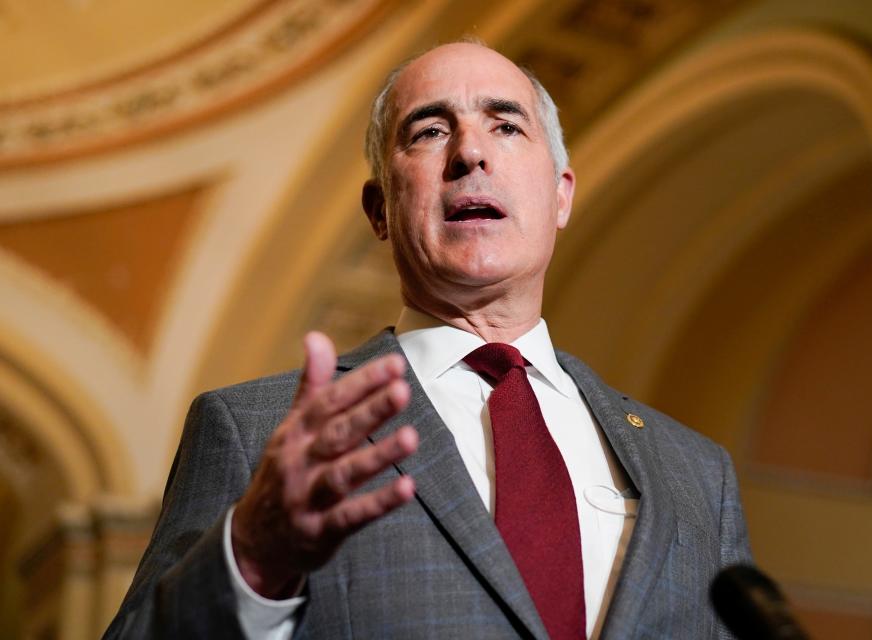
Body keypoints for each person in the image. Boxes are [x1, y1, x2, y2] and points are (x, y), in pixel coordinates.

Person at [105, 42, 751, 639]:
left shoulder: (695, 474)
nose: (471, 153)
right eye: (431, 131)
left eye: (506, 125)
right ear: (380, 209)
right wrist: (249, 561)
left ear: (561, 196)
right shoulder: (259, 433)